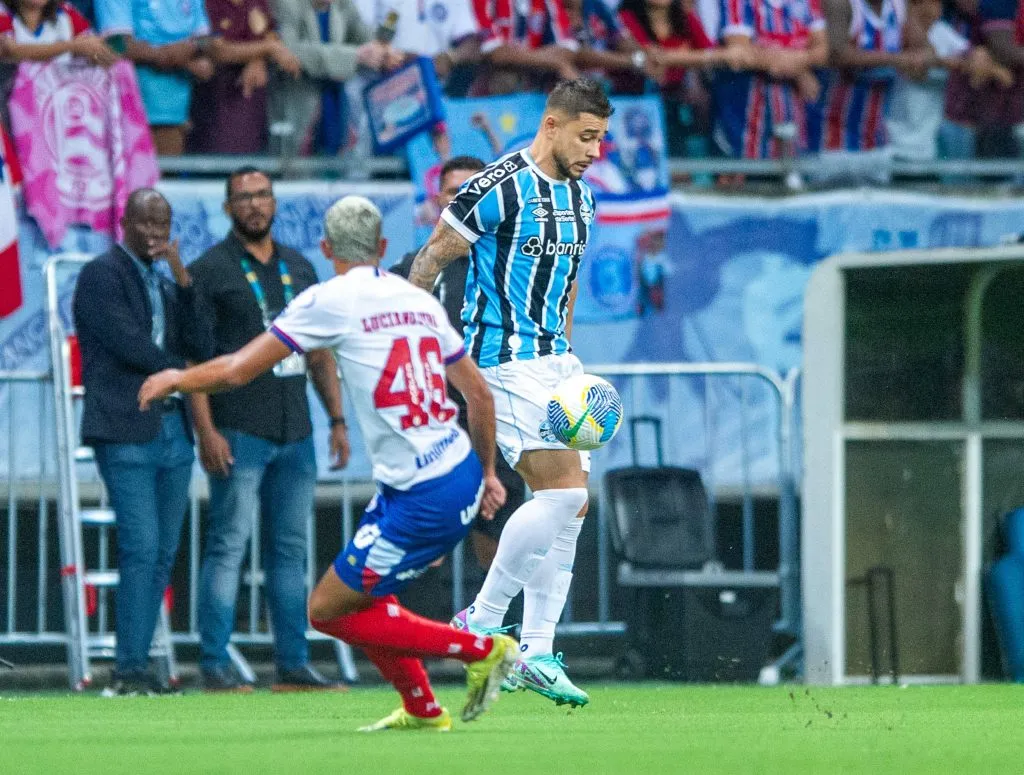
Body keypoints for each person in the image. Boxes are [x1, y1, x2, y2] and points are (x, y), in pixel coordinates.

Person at [139, 195, 518, 732]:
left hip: (424, 491)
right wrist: (488, 474)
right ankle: (421, 708)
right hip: (450, 471)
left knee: (326, 609)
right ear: (382, 247)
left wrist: (177, 378)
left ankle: (482, 650)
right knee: (366, 597)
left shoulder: (329, 300)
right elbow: (478, 396)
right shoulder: (418, 300)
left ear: (325, 248)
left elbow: (238, 370)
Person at [407, 78, 612, 708]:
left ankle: (539, 651)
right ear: (551, 124)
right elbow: (429, 262)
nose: (594, 152)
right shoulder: (496, 186)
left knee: (573, 509)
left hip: (556, 362)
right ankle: (482, 617)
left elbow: (566, 286)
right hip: (502, 358)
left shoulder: (581, 198)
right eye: (586, 137)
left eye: (600, 140)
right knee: (562, 494)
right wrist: (416, 346)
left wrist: (569, 362)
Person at [187, 167, 347, 693]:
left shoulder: (300, 267)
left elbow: (319, 354)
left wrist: (337, 421)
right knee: (228, 546)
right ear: (228, 208)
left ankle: (293, 664)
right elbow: (195, 360)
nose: (255, 205)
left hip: (295, 429)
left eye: (262, 195)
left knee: (291, 551)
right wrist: (206, 431)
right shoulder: (209, 271)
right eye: (244, 198)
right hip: (238, 428)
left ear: (275, 202)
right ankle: (214, 663)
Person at [71, 189, 211, 696]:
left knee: (162, 553)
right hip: (126, 429)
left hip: (173, 432)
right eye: (146, 223)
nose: (155, 233)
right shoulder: (101, 275)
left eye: (163, 224)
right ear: (124, 223)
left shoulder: (166, 283)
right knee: (142, 548)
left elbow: (202, 343)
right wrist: (185, 374)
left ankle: (137, 663)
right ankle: (128, 670)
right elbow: (128, 345)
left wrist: (183, 276)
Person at [392, 155, 528, 573]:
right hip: (434, 426)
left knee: (498, 544)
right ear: (438, 200)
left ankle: (494, 617)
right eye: (455, 192)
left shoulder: (513, 267)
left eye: (476, 192)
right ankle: (422, 618)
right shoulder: (413, 268)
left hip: (499, 420)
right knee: (428, 549)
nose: (466, 200)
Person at [269, 0, 402, 156]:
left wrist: (384, 53)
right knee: (295, 165)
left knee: (333, 160)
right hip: (296, 103)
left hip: (334, 104)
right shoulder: (286, 4)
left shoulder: (342, 4)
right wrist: (354, 56)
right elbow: (288, 50)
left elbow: (366, 38)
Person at [715, 0, 829, 159]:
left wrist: (791, 65)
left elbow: (824, 48)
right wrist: (799, 72)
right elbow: (740, 51)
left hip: (801, 117)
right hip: (748, 121)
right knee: (751, 169)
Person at [187, 0, 303, 153]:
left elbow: (272, 34)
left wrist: (258, 60)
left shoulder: (258, 2)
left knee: (254, 160)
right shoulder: (209, 4)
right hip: (216, 104)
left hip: (254, 106)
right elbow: (217, 49)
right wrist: (268, 49)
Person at [0, 1, 119, 135]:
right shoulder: (2, 11)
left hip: (61, 116)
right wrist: (71, 46)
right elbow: (11, 51)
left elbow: (93, 48)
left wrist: (97, 55)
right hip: (12, 117)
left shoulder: (66, 12)